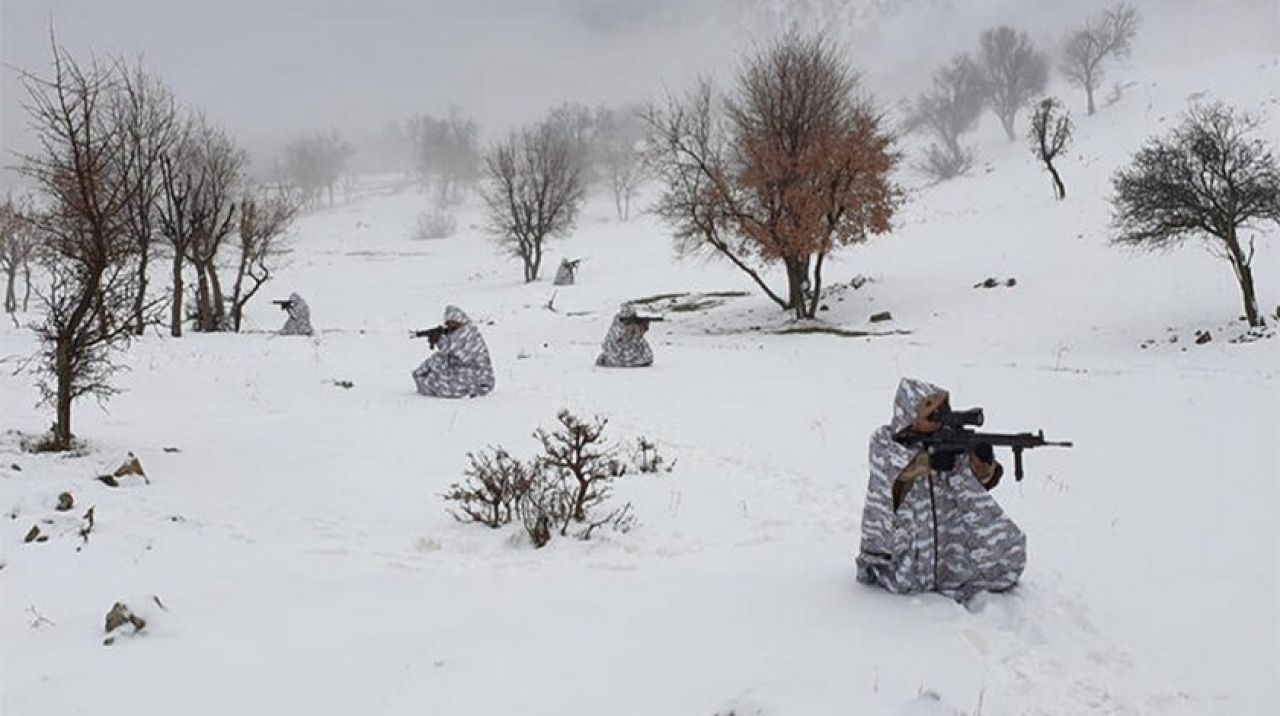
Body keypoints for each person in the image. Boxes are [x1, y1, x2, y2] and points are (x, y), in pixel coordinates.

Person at [855, 377, 1025, 602]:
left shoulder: (951, 440)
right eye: (928, 407)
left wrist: (984, 466)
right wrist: (928, 461)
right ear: (909, 409)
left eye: (940, 407)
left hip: (947, 546)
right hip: (904, 547)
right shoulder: (884, 440)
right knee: (904, 578)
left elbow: (980, 485)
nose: (936, 414)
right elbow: (891, 474)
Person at [412, 305, 495, 398]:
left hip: (477, 374)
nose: (450, 326)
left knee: (447, 387)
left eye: (453, 322)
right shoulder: (458, 331)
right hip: (462, 368)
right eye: (448, 323)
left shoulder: (467, 332)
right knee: (436, 361)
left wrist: (439, 339)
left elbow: (453, 349)